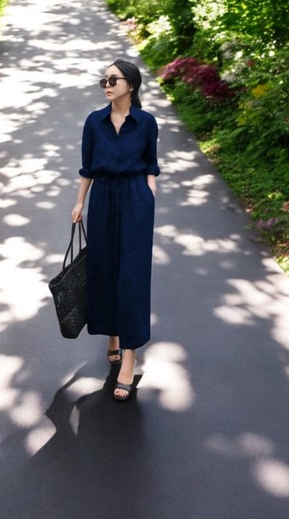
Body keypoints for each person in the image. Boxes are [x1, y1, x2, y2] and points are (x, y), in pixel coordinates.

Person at [71, 59, 160, 401]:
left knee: (132, 276)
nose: (106, 85)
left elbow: (151, 164)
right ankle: (112, 332)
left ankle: (130, 356)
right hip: (103, 197)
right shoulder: (94, 121)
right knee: (105, 269)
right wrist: (80, 202)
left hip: (136, 198)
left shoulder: (146, 122)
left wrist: (150, 195)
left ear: (131, 85)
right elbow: (88, 167)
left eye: (113, 80)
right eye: (104, 80)